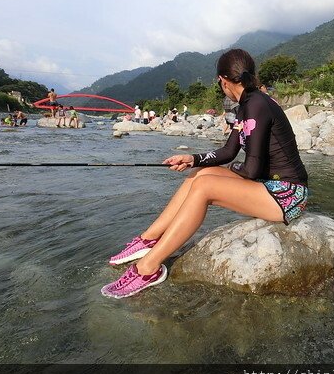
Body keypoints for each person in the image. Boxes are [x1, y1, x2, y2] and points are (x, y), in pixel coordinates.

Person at [101, 48, 309, 299]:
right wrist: (193, 160)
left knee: (205, 186)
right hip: (269, 186)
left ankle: (148, 268)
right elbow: (230, 151)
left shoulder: (256, 105)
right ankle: (149, 239)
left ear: (222, 80)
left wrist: (217, 176)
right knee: (199, 175)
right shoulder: (246, 105)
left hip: (287, 196)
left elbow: (251, 169)